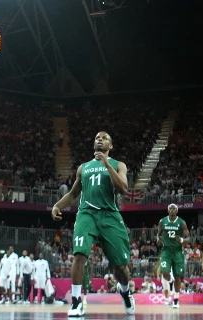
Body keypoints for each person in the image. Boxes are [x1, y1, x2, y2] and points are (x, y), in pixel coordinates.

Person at [52, 131, 135, 317]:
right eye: (97, 137)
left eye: (104, 138)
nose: (100, 139)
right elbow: (73, 194)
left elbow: (123, 188)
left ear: (110, 146)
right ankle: (75, 302)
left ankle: (125, 291)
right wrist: (57, 205)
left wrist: (105, 163)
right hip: (86, 214)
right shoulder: (83, 167)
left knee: (120, 267)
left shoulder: (118, 164)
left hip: (110, 215)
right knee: (79, 254)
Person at [157, 203, 190, 309]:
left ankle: (176, 300)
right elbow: (159, 234)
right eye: (170, 208)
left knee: (178, 276)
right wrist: (158, 240)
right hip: (166, 250)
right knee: (165, 272)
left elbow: (188, 238)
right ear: (168, 210)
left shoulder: (182, 222)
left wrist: (181, 239)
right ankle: (170, 281)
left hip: (177, 251)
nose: (171, 210)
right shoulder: (162, 221)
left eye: (173, 208)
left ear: (177, 211)